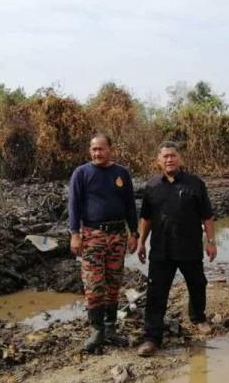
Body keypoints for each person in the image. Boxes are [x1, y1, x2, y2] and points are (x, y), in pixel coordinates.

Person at [136, 141, 217, 357]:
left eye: (173, 155)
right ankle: (152, 337)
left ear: (179, 159)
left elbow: (207, 216)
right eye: (165, 156)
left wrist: (211, 241)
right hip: (161, 250)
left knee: (198, 283)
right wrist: (141, 242)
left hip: (189, 247)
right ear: (158, 161)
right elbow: (145, 218)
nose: (169, 159)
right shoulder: (152, 186)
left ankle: (198, 318)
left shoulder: (195, 184)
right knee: (156, 293)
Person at [68, 134, 139, 353]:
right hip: (92, 235)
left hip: (118, 236)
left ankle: (110, 329)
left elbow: (129, 204)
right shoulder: (81, 173)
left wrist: (133, 233)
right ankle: (97, 330)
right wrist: (74, 233)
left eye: (101, 149)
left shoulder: (121, 173)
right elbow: (74, 205)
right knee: (93, 283)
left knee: (114, 283)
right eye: (93, 149)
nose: (97, 153)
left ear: (111, 149)